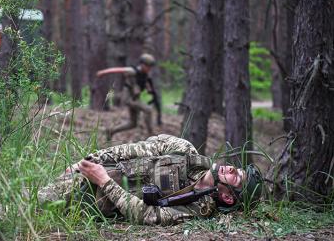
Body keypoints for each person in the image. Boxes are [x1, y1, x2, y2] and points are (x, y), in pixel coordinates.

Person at [38, 134, 263, 225]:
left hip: (89, 204)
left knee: (25, 209)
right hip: (87, 173)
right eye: (236, 168)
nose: (232, 168)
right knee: (27, 198)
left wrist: (104, 181)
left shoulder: (196, 208)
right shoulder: (184, 150)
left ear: (228, 197)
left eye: (236, 176)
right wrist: (87, 161)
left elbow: (146, 215)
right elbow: (131, 149)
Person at [96, 53, 162, 141]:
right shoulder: (133, 70)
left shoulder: (144, 75)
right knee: (148, 110)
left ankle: (111, 131)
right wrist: (102, 72)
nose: (149, 69)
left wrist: (149, 89)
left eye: (150, 67)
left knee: (132, 124)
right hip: (129, 99)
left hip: (135, 99)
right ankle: (151, 134)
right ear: (142, 64)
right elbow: (117, 70)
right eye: (148, 66)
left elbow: (144, 85)